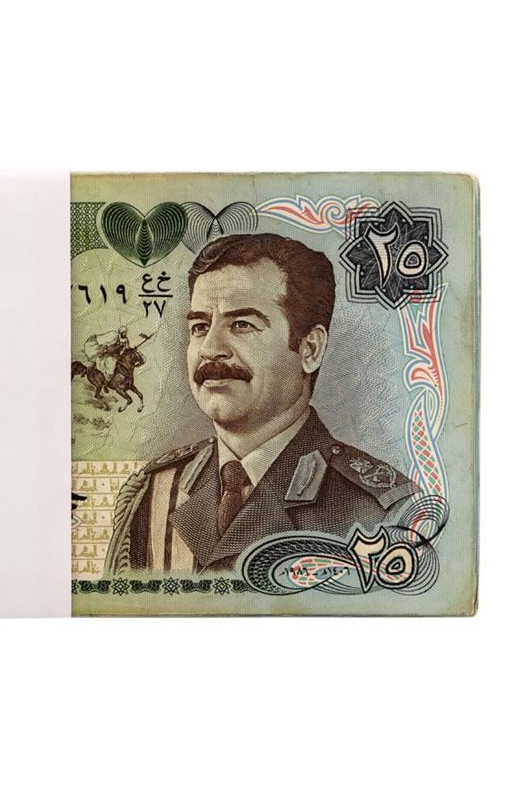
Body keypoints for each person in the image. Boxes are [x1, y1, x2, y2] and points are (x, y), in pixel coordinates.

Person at [104, 232, 417, 576]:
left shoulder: (385, 514)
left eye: (242, 325)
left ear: (310, 349)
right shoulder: (154, 493)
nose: (210, 348)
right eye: (200, 326)